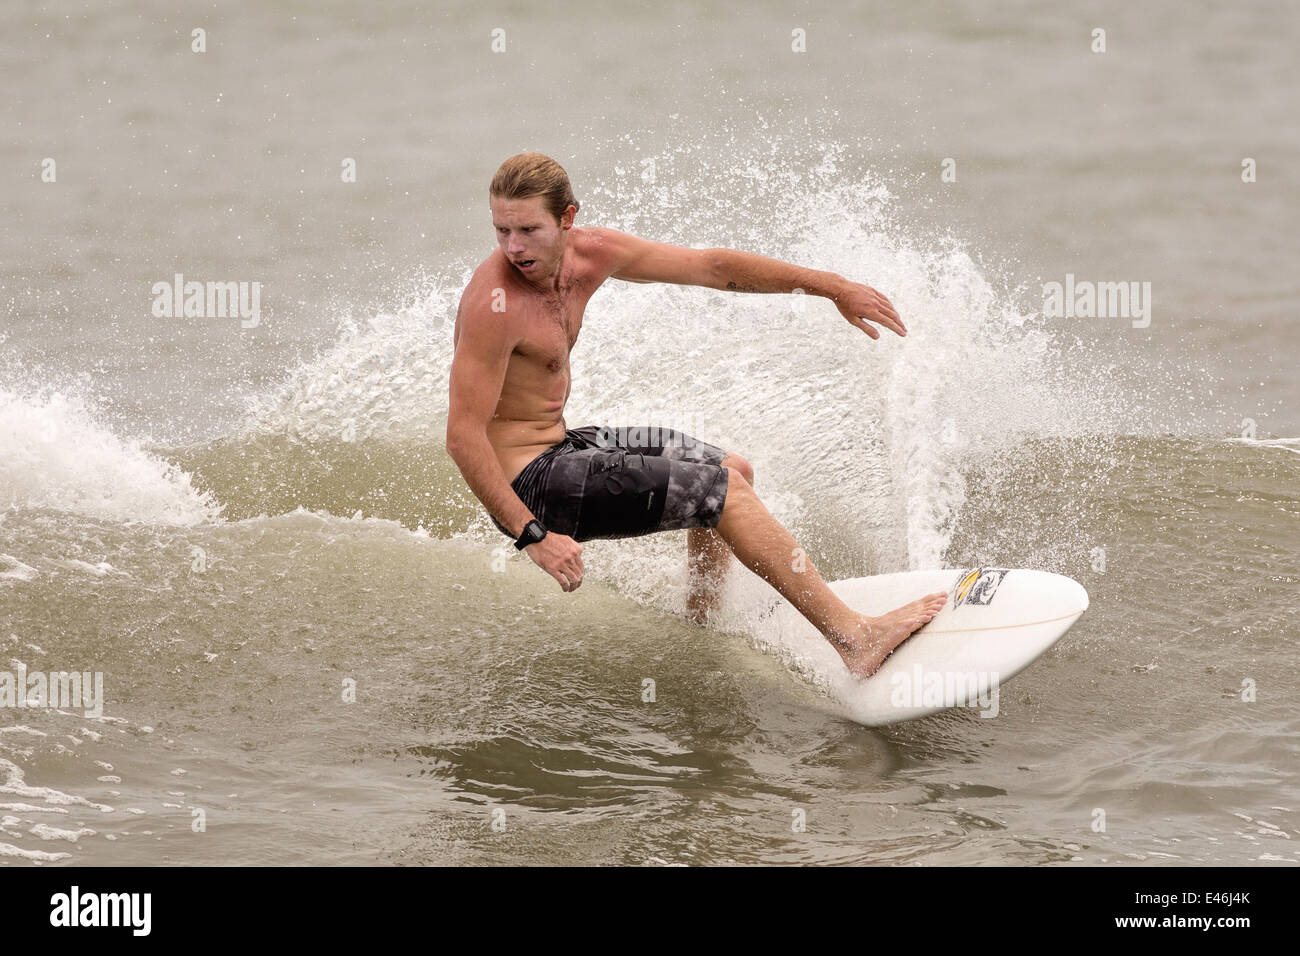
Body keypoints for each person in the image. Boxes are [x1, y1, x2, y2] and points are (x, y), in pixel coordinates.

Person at [446, 153, 946, 678]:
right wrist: (533, 537)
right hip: (532, 482)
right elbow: (462, 437)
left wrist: (832, 287)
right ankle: (855, 638)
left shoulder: (593, 254)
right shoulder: (494, 303)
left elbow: (713, 267)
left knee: (735, 471)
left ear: (567, 219)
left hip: (565, 446)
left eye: (529, 229)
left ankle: (699, 627)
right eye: (502, 230)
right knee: (723, 496)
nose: (514, 247)